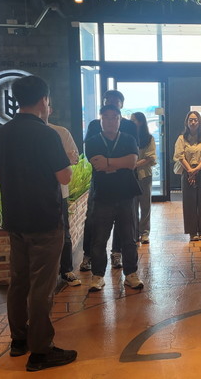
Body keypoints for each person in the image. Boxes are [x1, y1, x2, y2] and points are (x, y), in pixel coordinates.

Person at [0, 75, 77, 371]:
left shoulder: (2, 133)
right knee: (41, 286)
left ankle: (19, 340)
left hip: (15, 219)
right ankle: (41, 351)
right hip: (45, 219)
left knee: (19, 281)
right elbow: (64, 176)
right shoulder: (47, 134)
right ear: (43, 101)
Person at [84, 105, 144, 292]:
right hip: (102, 196)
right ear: (100, 120)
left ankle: (131, 274)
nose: (110, 121)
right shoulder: (92, 141)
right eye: (107, 117)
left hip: (126, 195)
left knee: (129, 238)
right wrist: (120, 163)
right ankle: (98, 276)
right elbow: (98, 165)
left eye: (114, 117)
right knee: (99, 239)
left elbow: (132, 162)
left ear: (120, 120)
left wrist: (109, 162)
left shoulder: (129, 139)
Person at [46, 110, 81, 287]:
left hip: (59, 191)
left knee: (63, 232)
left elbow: (75, 158)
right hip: (35, 194)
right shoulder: (22, 133)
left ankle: (66, 269)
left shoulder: (60, 132)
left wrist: (68, 158)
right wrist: (63, 159)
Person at [174, 111, 201, 241]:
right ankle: (192, 232)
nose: (193, 122)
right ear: (186, 122)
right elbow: (180, 156)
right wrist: (190, 170)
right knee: (189, 202)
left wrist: (195, 170)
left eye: (195, 120)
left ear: (200, 122)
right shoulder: (181, 139)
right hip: (187, 170)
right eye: (190, 120)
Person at [131, 112, 156, 244]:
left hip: (144, 175)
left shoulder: (149, 138)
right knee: (133, 206)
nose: (131, 122)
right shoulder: (129, 137)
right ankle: (134, 232)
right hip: (131, 176)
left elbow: (150, 157)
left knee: (145, 205)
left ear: (140, 122)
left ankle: (145, 232)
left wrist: (134, 164)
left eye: (134, 120)